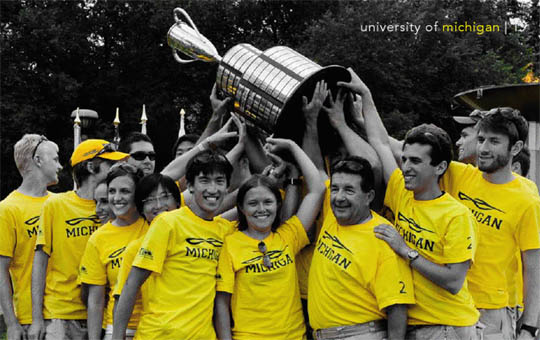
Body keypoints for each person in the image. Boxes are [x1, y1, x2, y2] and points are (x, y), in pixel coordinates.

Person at [340, 69, 480, 339]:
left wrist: (405, 250)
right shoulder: (401, 190)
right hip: (416, 327)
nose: (407, 167)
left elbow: (453, 282)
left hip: (448, 327)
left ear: (440, 167)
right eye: (405, 159)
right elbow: (380, 141)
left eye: (416, 161)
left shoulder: (456, 215)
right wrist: (366, 95)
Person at [112, 149, 237, 340]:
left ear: (227, 186)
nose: (212, 189)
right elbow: (132, 284)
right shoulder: (168, 223)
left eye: (219, 181)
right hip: (158, 335)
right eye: (204, 181)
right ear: (190, 186)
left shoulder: (225, 231)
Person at [440, 108, 540, 340]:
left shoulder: (527, 199)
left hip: (491, 313)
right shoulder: (459, 175)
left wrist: (529, 328)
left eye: (494, 141)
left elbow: (533, 267)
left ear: (515, 148)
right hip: (447, 303)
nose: (483, 148)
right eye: (482, 139)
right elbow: (398, 149)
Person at [214, 137, 325, 340]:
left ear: (278, 205)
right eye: (253, 203)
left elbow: (318, 189)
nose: (262, 209)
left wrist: (293, 145)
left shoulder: (288, 236)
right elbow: (221, 303)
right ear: (241, 208)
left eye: (268, 202)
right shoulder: (229, 242)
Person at [29, 139, 128, 340]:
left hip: (103, 313)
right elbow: (39, 264)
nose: (115, 169)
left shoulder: (118, 206)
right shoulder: (55, 206)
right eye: (110, 164)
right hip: (61, 315)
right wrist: (37, 318)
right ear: (91, 166)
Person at [308, 156, 415, 340]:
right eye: (335, 189)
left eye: (349, 190)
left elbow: (397, 307)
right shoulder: (333, 215)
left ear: (369, 197)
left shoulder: (382, 238)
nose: (339, 197)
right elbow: (316, 168)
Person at [0, 135, 62, 340]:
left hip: (67, 312)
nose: (60, 166)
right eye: (55, 159)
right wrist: (12, 323)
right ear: (38, 160)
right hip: (30, 321)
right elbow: (1, 270)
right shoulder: (8, 209)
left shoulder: (60, 203)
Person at [79, 163, 148, 340]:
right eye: (112, 191)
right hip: (117, 330)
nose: (117, 198)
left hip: (155, 325)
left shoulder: (153, 226)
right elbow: (95, 301)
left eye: (125, 191)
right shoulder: (98, 239)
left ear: (137, 194)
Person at [110, 173, 181, 339]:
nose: (158, 205)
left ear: (178, 202)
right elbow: (122, 297)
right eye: (149, 200)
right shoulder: (135, 249)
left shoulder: (195, 237)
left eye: (165, 197)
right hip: (153, 332)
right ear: (141, 209)